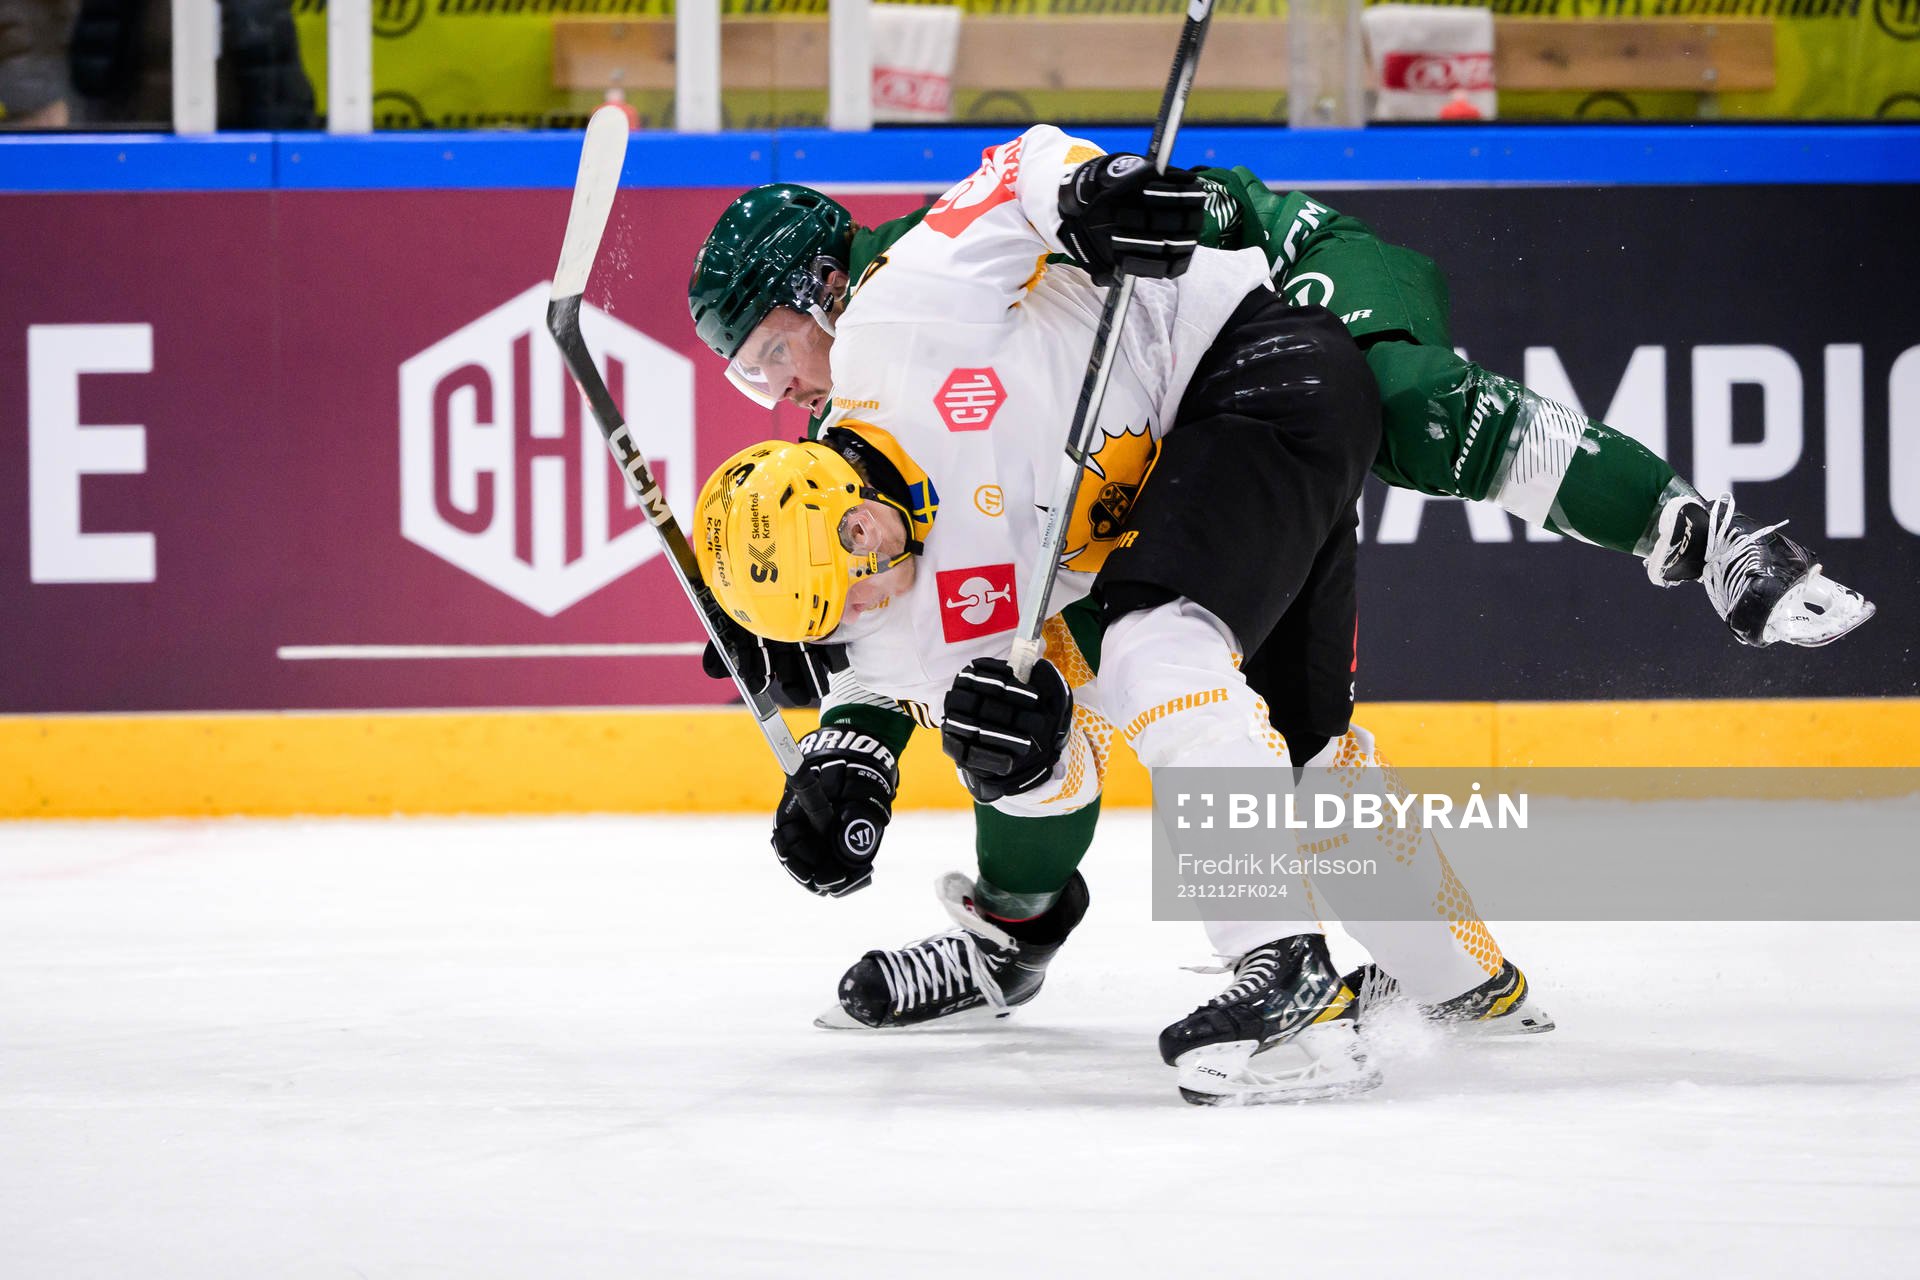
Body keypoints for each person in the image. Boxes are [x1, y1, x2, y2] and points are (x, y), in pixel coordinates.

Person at [690, 126, 1560, 1104]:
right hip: (1141, 521)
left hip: (1219, 413)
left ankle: (1287, 968)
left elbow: (1025, 173)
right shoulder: (839, 444)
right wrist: (845, 728)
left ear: (823, 290)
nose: (777, 388)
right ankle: (1456, 975)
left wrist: (1084, 189)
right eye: (750, 375)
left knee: (1164, 675)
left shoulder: (913, 305)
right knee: (1084, 719)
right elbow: (903, 637)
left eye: (773, 352)